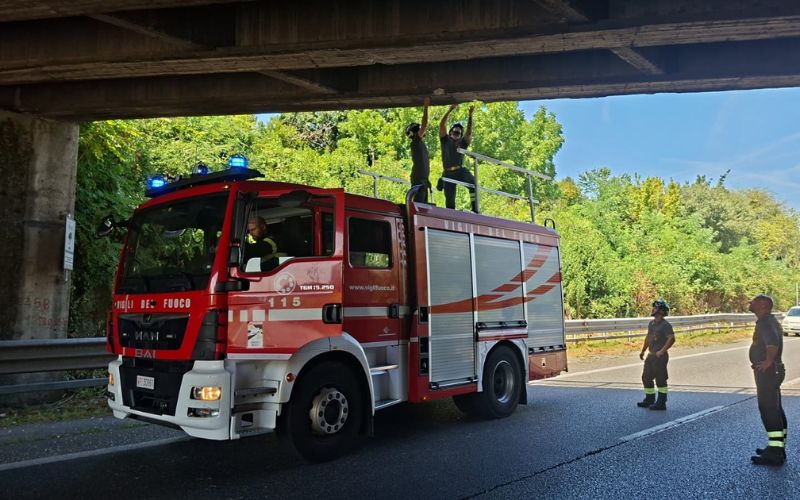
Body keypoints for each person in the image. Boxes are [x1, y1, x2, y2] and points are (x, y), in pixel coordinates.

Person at [748, 294, 787, 466]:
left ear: (763, 305)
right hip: (773, 371)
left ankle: (775, 453)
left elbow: (772, 342)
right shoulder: (769, 321)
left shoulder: (765, 322)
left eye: (754, 301)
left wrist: (768, 361)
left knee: (768, 409)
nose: (750, 302)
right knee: (775, 408)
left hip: (769, 372)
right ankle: (777, 448)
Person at [636, 299, 675, 410]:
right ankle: (649, 399)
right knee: (646, 377)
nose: (653, 309)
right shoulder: (651, 324)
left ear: (661, 311)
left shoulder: (665, 325)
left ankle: (661, 403)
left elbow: (671, 339)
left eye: (655, 307)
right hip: (651, 355)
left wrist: (662, 351)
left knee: (660, 380)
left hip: (660, 357)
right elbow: (648, 338)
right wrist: (643, 350)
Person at [438, 103, 477, 212]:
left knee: (473, 183)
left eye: (459, 133)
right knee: (449, 202)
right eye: (455, 132)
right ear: (451, 132)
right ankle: (451, 215)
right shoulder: (445, 140)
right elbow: (442, 125)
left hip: (460, 171)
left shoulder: (462, 142)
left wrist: (470, 115)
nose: (456, 133)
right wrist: (450, 109)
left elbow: (469, 133)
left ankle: (475, 208)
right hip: (447, 172)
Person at [406, 97, 431, 203]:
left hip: (423, 179)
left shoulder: (419, 144)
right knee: (418, 205)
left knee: (422, 207)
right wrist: (426, 106)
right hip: (419, 179)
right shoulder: (416, 141)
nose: (423, 131)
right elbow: (425, 124)